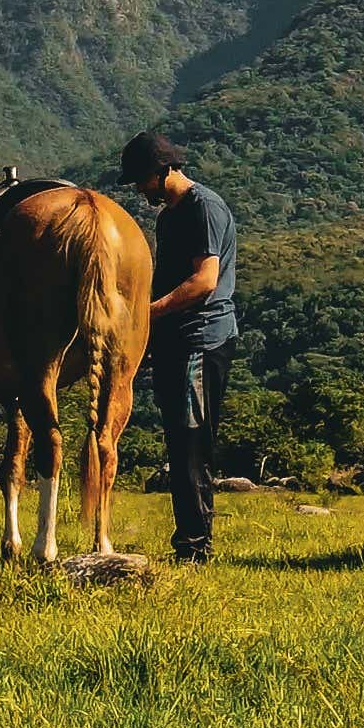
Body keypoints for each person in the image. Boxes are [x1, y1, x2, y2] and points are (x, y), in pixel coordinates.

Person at [124, 131, 238, 563]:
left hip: (202, 339)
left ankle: (195, 549)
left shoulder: (203, 207)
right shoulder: (169, 216)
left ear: (162, 171)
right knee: (178, 441)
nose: (139, 189)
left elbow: (205, 281)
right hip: (176, 338)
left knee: (191, 444)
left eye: (141, 180)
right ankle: (190, 541)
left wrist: (147, 314)